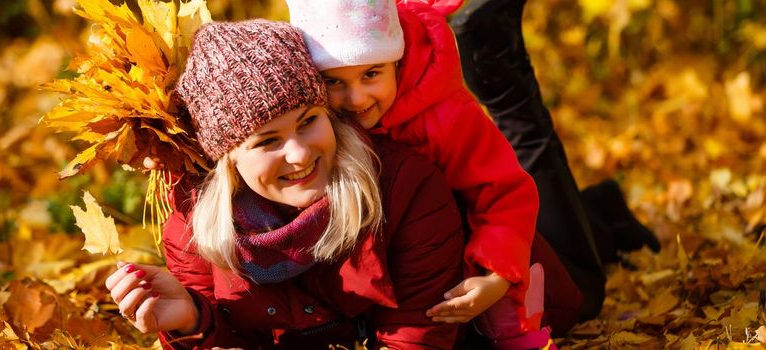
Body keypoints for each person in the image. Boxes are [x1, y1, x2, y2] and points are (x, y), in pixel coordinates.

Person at [105, 20, 468, 348]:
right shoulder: (194, 224)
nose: (298, 154)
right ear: (227, 159)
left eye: (308, 120)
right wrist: (192, 320)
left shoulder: (404, 187)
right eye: (267, 141)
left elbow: (417, 338)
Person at [285, 0, 574, 346]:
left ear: (397, 62)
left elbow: (502, 194)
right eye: (334, 81)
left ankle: (606, 219)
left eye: (371, 74)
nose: (356, 98)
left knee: (575, 292)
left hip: (483, 256)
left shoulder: (447, 117)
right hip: (406, 266)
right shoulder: (315, 121)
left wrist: (496, 277)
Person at [449, 0, 661, 325]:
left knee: (580, 288)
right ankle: (600, 213)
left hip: (516, 263)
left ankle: (494, 52)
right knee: (564, 261)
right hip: (512, 248)